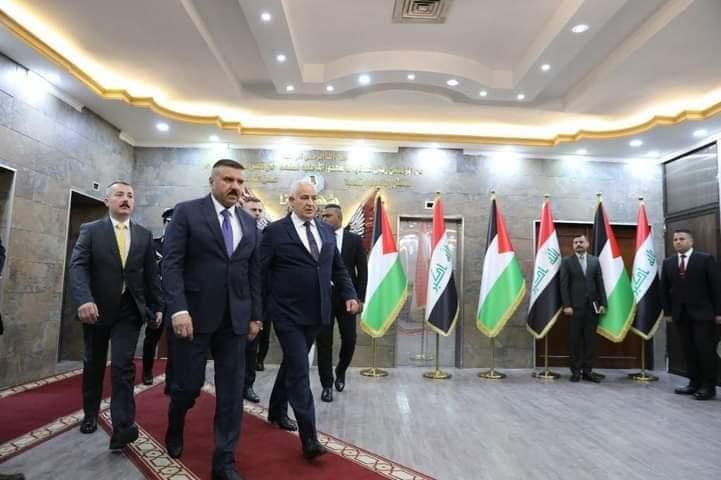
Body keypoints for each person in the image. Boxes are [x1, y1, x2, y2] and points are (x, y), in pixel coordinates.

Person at [163, 159, 261, 480]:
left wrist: (256, 316)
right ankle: (176, 422)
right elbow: (171, 264)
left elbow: (253, 273)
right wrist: (178, 309)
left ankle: (224, 461)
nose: (235, 187)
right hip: (193, 318)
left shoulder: (248, 223)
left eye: (240, 181)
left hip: (236, 321)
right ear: (212, 181)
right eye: (228, 180)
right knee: (188, 386)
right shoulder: (187, 212)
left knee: (231, 394)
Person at [260, 180, 360, 459]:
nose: (310, 203)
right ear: (290, 201)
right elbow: (259, 272)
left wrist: (350, 294)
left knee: (293, 363)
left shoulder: (326, 231)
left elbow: (338, 268)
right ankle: (309, 438)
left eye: (314, 198)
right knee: (300, 369)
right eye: (304, 197)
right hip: (286, 314)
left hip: (317, 313)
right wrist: (258, 311)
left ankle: (276, 410)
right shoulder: (274, 232)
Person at [69, 181, 162, 450]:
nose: (125, 199)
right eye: (119, 194)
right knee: (94, 363)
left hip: (129, 310)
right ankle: (90, 413)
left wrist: (157, 306)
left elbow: (151, 275)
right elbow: (78, 267)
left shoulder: (143, 235)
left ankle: (123, 427)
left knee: (123, 366)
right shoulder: (91, 230)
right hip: (96, 310)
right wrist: (84, 300)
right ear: (107, 201)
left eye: (130, 195)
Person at [660, 229, 721, 400]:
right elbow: (664, 289)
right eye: (675, 239)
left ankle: (708, 387)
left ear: (691, 241)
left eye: (682, 239)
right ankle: (693, 383)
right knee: (688, 350)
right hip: (681, 315)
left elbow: (716, 287)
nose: (678, 242)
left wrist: (718, 312)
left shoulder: (705, 259)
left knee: (705, 351)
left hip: (704, 315)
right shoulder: (668, 262)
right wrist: (668, 312)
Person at [316, 203, 367, 402]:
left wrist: (359, 299)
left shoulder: (354, 240)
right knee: (323, 342)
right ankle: (327, 384)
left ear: (339, 218)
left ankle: (341, 370)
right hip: (323, 297)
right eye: (322, 216)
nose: (324, 219)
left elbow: (362, 272)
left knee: (350, 339)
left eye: (328, 216)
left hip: (348, 298)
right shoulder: (317, 237)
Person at [560, 234, 606, 383]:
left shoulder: (595, 261)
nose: (578, 244)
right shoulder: (567, 261)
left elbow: (600, 283)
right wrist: (567, 305)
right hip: (574, 308)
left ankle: (587, 371)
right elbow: (563, 285)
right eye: (575, 242)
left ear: (587, 244)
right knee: (574, 341)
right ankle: (575, 372)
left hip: (592, 308)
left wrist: (603, 303)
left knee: (590, 341)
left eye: (581, 242)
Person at [141, 207, 174, 386]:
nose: (172, 226)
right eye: (169, 223)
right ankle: (147, 371)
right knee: (152, 337)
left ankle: (172, 375)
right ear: (164, 224)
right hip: (155, 299)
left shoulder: (184, 247)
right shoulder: (152, 245)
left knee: (176, 340)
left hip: (175, 300)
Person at [240, 197, 264, 403]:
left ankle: (248, 385)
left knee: (250, 348)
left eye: (259, 210)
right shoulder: (231, 232)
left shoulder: (262, 237)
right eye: (252, 209)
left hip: (253, 301)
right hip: (228, 301)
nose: (257, 213)